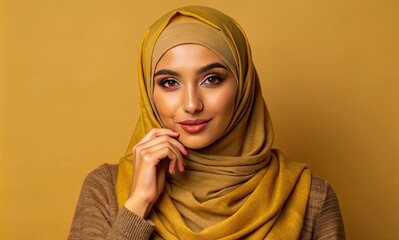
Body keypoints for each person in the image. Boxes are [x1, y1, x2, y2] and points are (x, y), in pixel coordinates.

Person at [69, 6, 345, 240]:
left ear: (244, 85)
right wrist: (138, 204)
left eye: (211, 79)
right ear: (149, 93)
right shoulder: (106, 189)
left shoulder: (309, 196)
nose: (191, 104)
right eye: (169, 82)